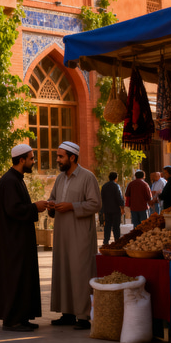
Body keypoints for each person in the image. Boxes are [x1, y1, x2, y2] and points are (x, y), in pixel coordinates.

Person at [47, 141, 101, 330]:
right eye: (57, 156)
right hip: (62, 232)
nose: (58, 160)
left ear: (72, 157)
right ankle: (67, 313)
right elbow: (52, 197)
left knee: (80, 271)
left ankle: (83, 316)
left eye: (61, 156)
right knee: (63, 270)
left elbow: (95, 204)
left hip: (80, 233)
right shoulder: (60, 179)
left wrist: (72, 206)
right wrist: (51, 205)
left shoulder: (88, 177)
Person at [0, 143, 47, 333]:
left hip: (20, 239)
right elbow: (13, 209)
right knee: (15, 278)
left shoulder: (16, 179)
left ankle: (22, 317)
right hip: (13, 240)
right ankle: (12, 320)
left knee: (24, 278)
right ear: (22, 159)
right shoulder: (9, 181)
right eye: (32, 158)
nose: (33, 162)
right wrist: (35, 207)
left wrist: (35, 207)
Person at [100, 172, 124, 246]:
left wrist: (102, 209)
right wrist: (122, 207)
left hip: (107, 210)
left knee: (107, 226)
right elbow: (119, 197)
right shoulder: (116, 186)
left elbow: (101, 198)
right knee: (116, 226)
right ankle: (117, 241)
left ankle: (106, 241)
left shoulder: (104, 186)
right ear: (116, 178)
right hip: (115, 210)